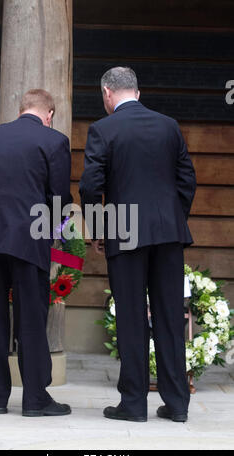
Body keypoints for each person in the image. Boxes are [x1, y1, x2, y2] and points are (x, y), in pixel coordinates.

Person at [79, 67, 196, 423]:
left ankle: (133, 405)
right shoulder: (168, 125)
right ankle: (176, 405)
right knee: (171, 318)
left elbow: (89, 185)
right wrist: (173, 218)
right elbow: (186, 178)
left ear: (106, 94)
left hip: (125, 233)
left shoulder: (103, 129)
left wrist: (99, 230)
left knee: (131, 318)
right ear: (138, 92)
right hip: (168, 234)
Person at [0, 89, 72, 417]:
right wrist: (55, 235)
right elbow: (59, 198)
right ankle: (35, 399)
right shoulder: (54, 141)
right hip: (28, 239)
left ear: (21, 109)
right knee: (31, 319)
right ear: (49, 114)